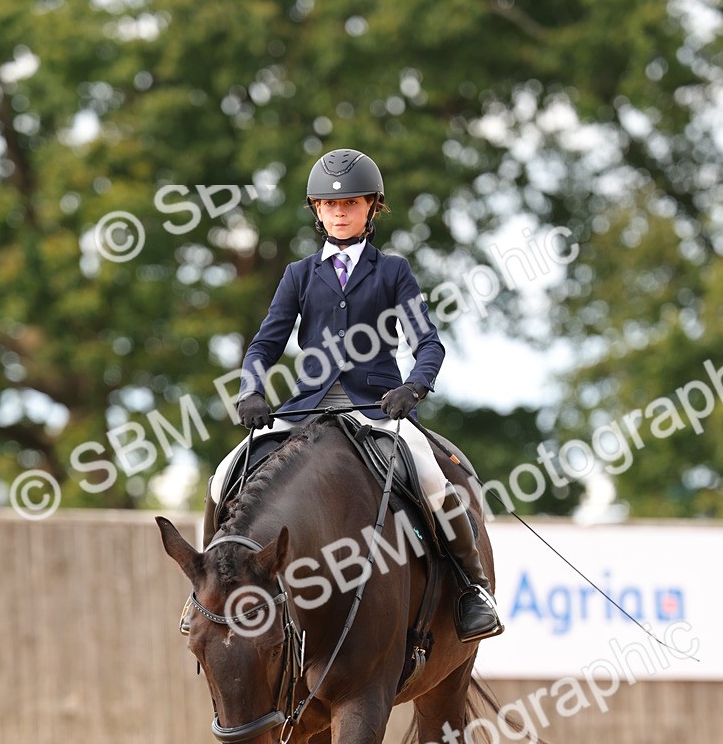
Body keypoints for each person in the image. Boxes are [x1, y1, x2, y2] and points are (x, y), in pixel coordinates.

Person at [184, 148, 503, 643]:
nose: (339, 212)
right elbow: (265, 344)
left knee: (432, 478)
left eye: (350, 203)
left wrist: (413, 387)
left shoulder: (392, 271)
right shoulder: (299, 274)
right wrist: (251, 389)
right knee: (222, 476)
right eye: (330, 205)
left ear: (372, 207)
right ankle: (207, 588)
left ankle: (472, 589)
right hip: (306, 408)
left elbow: (428, 343)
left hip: (375, 408)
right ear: (317, 210)